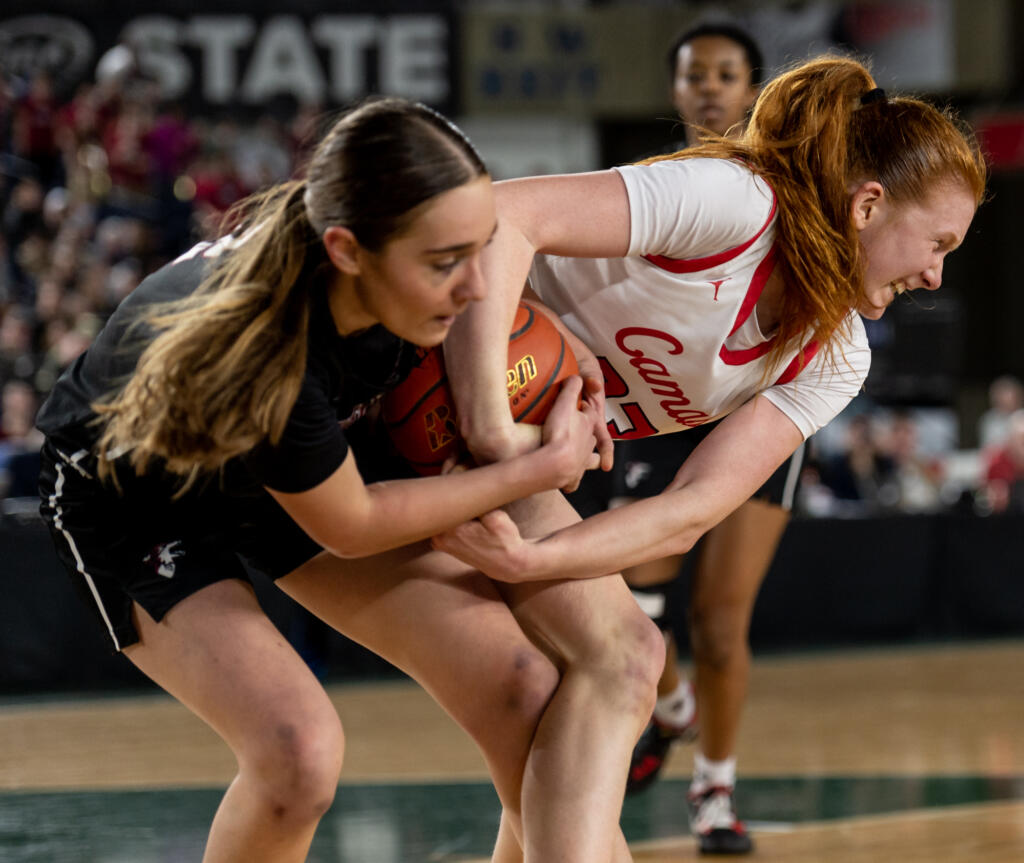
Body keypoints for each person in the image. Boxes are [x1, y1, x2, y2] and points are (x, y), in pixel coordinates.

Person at [36, 96, 664, 863]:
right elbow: (352, 522)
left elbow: (483, 292)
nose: (475, 286)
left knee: (523, 691)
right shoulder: (269, 349)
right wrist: (540, 466)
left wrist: (550, 341)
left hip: (288, 460)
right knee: (296, 755)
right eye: (444, 264)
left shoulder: (399, 282)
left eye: (481, 248)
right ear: (347, 250)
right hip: (131, 490)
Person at [435, 54, 986, 855]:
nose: (935, 274)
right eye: (937, 242)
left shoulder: (836, 355)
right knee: (612, 669)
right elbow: (498, 218)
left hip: (515, 458)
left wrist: (531, 559)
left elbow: (689, 513)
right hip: (443, 380)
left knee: (585, 696)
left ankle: (709, 778)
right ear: (868, 204)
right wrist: (492, 427)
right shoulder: (735, 202)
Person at [608, 22, 799, 857]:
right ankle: (672, 707)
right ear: (677, 91)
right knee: (629, 598)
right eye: (695, 75)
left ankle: (714, 789)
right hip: (668, 403)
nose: (710, 87)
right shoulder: (666, 183)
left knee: (722, 624)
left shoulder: (789, 184)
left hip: (757, 411)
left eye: (727, 73)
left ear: (755, 88)